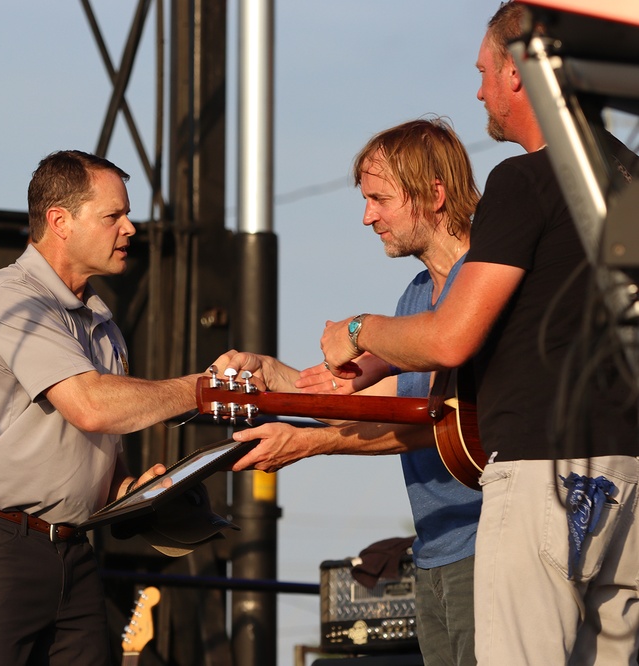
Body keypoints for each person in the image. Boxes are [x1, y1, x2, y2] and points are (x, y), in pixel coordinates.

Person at [319, 4, 639, 664]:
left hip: (543, 474)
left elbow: (449, 338)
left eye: (482, 72)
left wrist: (359, 330)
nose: (476, 92)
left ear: (519, 73)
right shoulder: (631, 178)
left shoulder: (520, 182)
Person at [0, 149, 230, 665]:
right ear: (59, 221)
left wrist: (137, 493)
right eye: (113, 216)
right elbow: (90, 406)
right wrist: (202, 390)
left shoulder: (104, 326)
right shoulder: (8, 297)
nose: (130, 228)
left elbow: (97, 450)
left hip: (73, 554)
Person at [222, 117, 482, 666]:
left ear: (434, 194)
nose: (368, 217)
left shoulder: (479, 283)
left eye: (379, 199)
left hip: (486, 546)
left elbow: (428, 421)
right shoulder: (416, 294)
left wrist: (308, 442)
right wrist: (274, 378)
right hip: (435, 550)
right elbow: (374, 399)